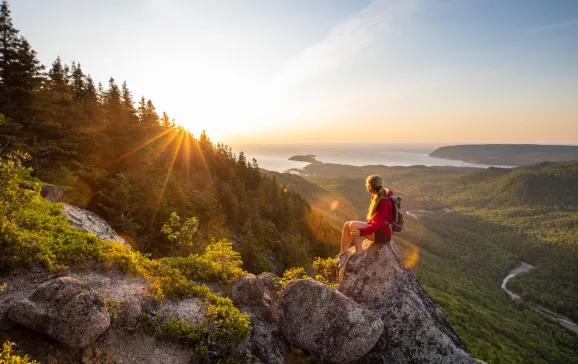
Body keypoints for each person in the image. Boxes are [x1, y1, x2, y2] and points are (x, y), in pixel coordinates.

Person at [336, 174, 394, 268]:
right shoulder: (377, 195)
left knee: (354, 226)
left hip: (383, 234)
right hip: (378, 229)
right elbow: (375, 220)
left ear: (371, 187)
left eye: (367, 186)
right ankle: (343, 254)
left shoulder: (384, 201)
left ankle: (360, 254)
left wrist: (361, 232)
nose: (367, 188)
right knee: (347, 225)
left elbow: (377, 225)